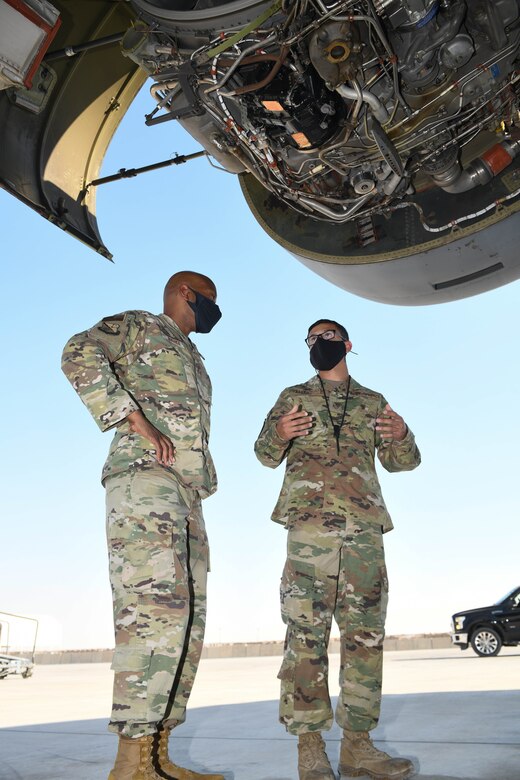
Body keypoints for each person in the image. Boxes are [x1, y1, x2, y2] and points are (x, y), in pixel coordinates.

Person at [62, 271, 224, 780]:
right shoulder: (139, 327)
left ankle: (158, 753)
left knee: (186, 623)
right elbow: (77, 352)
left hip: (186, 494)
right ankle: (130, 762)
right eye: (210, 301)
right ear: (185, 293)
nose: (214, 311)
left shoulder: (195, 358)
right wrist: (132, 418)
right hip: (144, 481)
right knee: (151, 616)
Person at [254, 319, 421, 780]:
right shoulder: (293, 397)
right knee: (305, 637)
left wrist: (403, 435)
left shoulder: (372, 402)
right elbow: (265, 455)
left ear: (346, 344)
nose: (317, 345)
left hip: (364, 534)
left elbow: (402, 462)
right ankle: (310, 750)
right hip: (310, 532)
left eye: (325, 337)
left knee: (365, 638)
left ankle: (359, 747)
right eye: (310, 340)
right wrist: (280, 434)